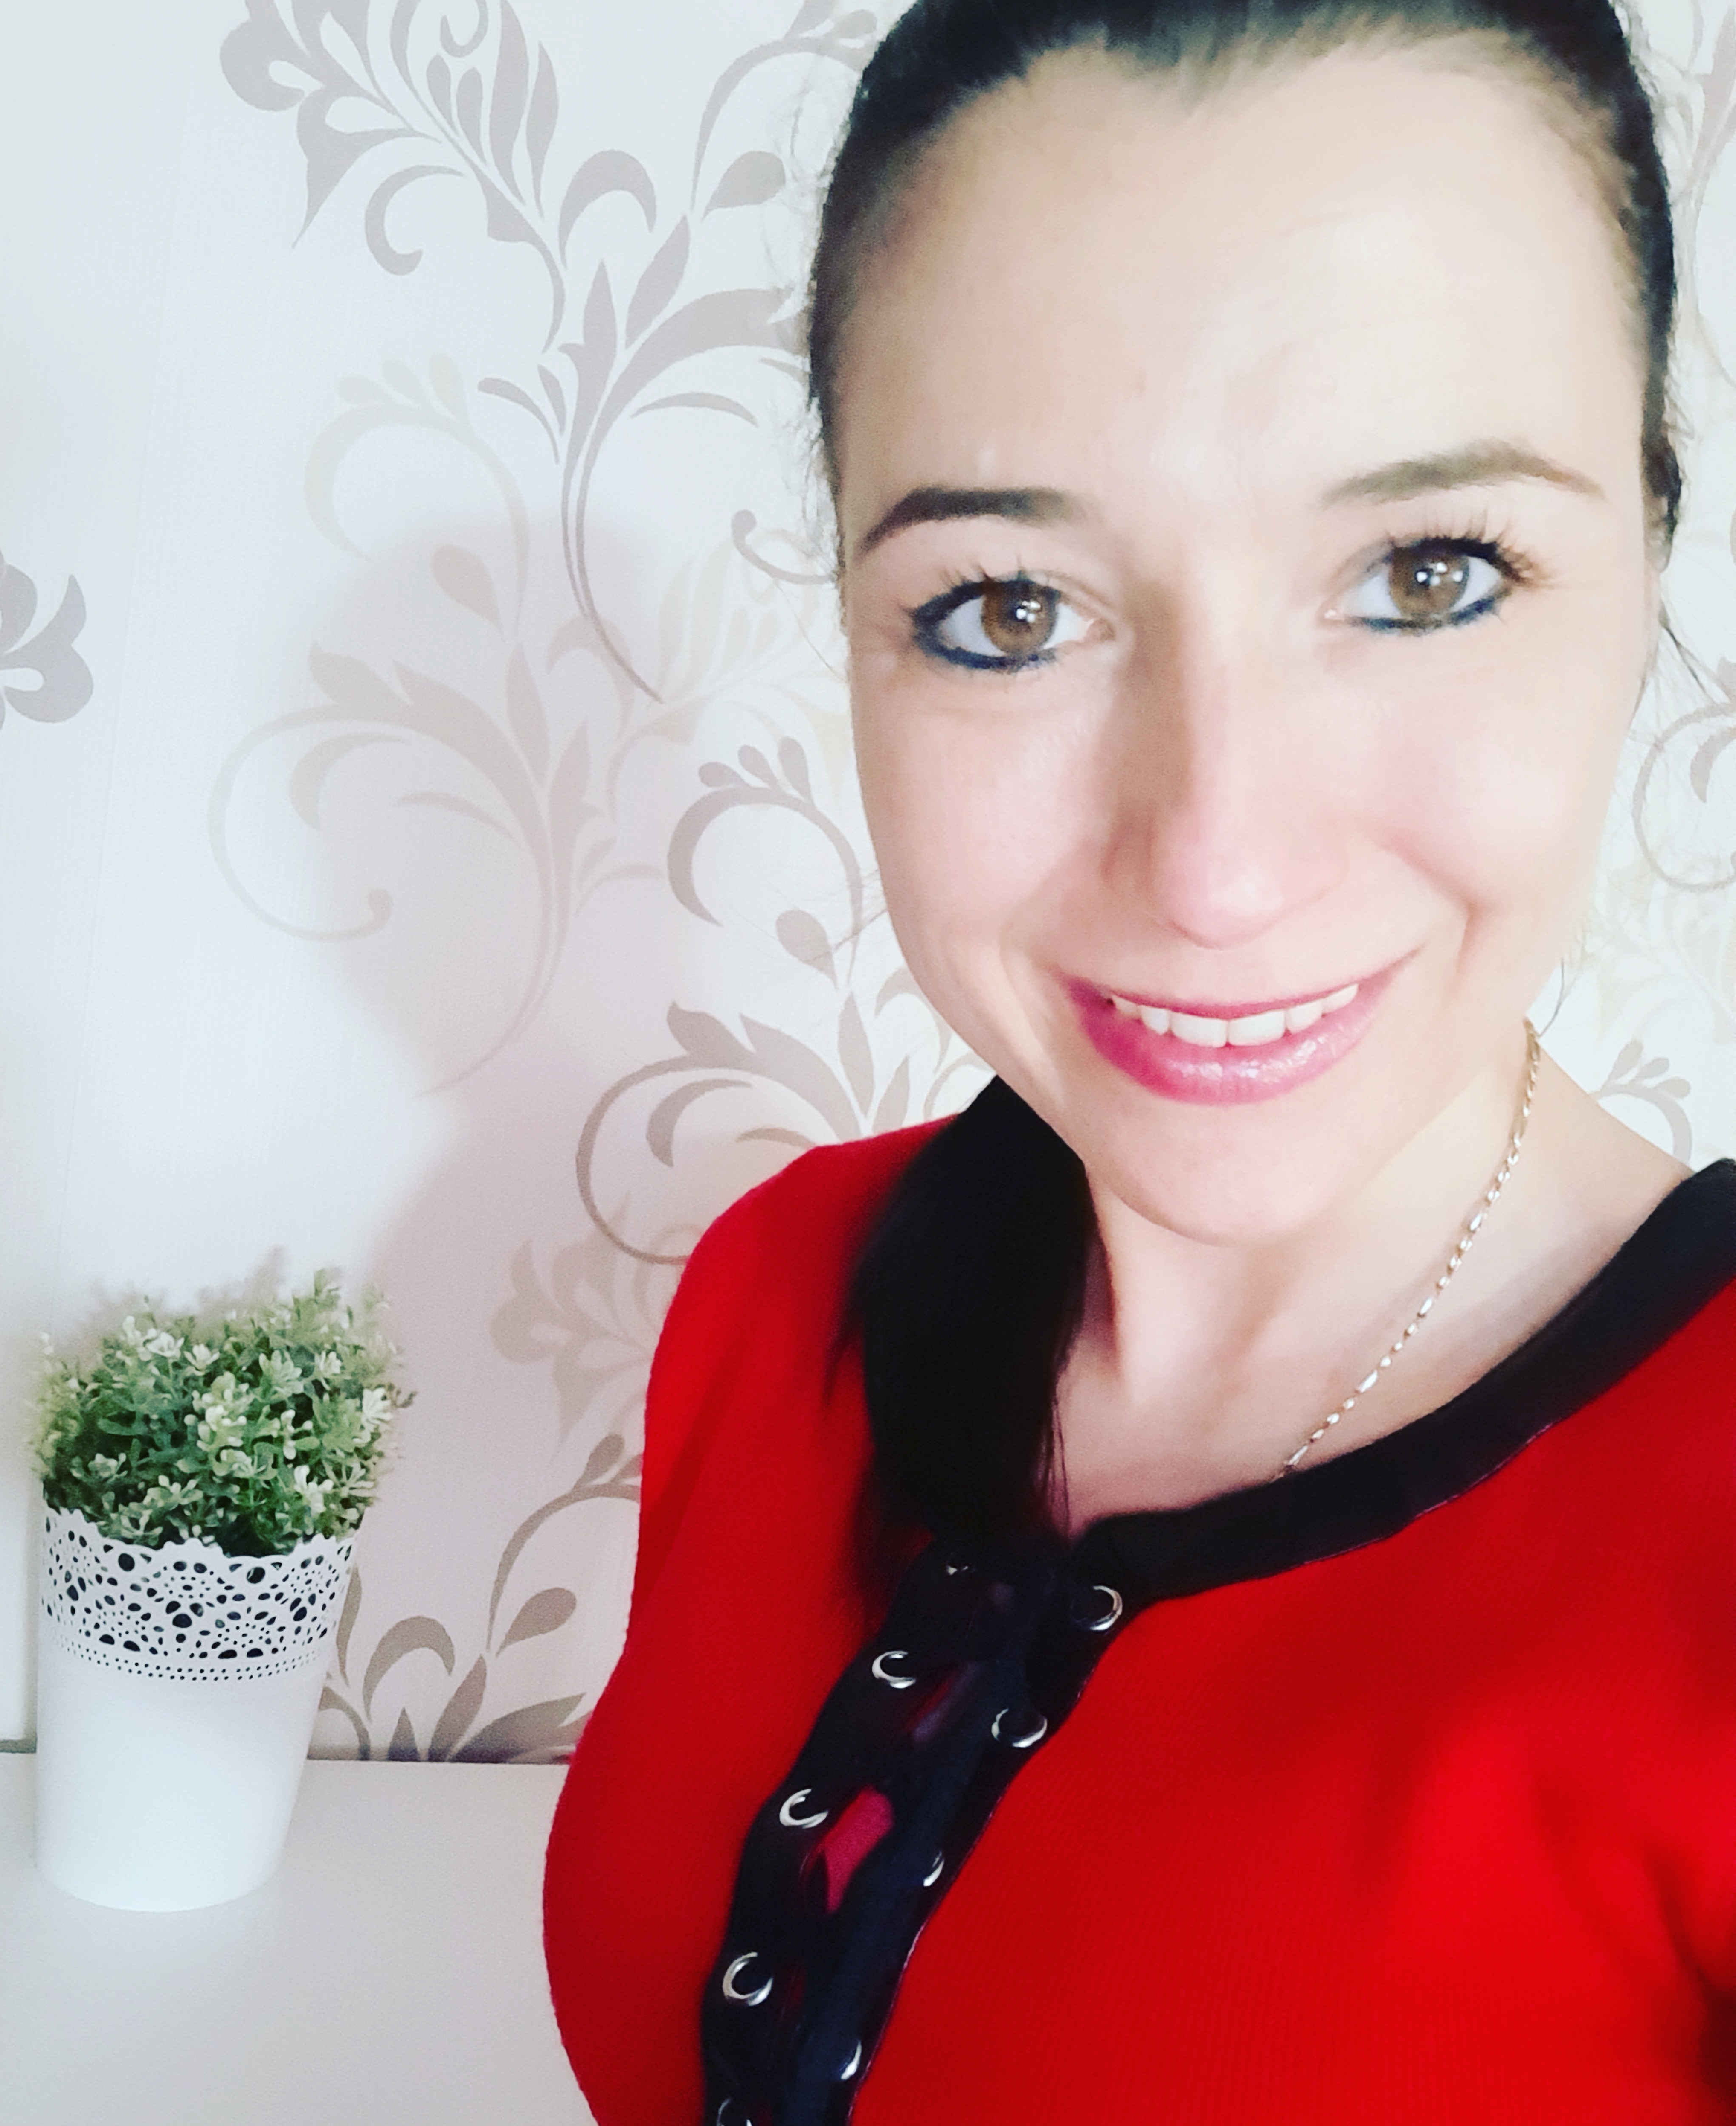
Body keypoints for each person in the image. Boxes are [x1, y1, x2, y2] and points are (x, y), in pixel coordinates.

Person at [544, 1, 1736, 2120]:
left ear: (1649, 555)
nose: (1216, 866)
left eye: (1429, 575)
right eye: (1009, 608)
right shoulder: (775, 1289)